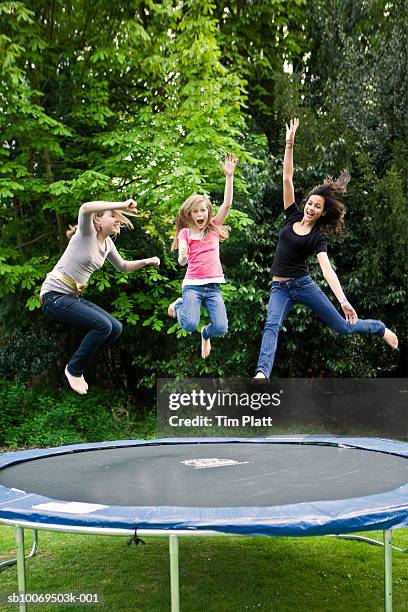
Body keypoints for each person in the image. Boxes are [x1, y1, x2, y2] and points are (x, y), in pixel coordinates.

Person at [254, 118, 398, 379]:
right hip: (279, 287)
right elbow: (287, 177)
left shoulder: (317, 237)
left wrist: (343, 301)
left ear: (322, 213)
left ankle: (378, 328)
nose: (310, 208)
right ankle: (262, 374)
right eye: (309, 203)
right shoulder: (291, 216)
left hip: (303, 285)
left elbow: (327, 270)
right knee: (271, 325)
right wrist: (290, 142)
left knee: (343, 328)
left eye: (317, 206)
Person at [40, 198, 160, 394]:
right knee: (102, 325)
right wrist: (120, 205)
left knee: (115, 328)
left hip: (70, 297)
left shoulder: (108, 244)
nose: (117, 220)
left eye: (117, 217)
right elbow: (85, 208)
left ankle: (80, 367)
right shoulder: (86, 233)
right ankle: (73, 369)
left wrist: (146, 261)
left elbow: (123, 266)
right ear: (97, 221)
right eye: (112, 216)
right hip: (53, 296)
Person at [168, 154, 238, 359]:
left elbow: (226, 204)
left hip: (214, 287)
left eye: (203, 211)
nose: (200, 215)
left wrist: (229, 177)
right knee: (188, 324)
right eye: (195, 212)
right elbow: (182, 260)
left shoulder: (214, 228)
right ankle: (180, 304)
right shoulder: (185, 234)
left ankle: (205, 334)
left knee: (222, 328)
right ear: (189, 215)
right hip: (192, 286)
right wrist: (183, 255)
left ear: (208, 213)